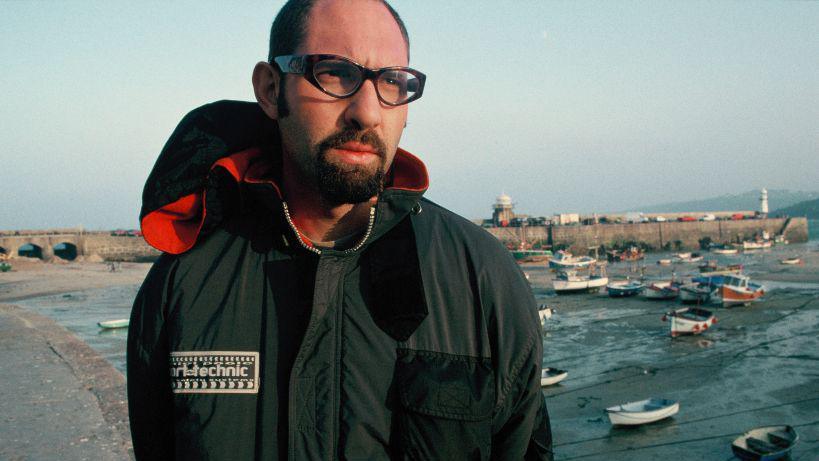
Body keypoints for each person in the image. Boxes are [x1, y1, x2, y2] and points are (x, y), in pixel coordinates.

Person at [127, 0, 553, 459]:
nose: (367, 113)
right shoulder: (183, 286)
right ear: (271, 90)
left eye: (392, 81)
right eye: (333, 72)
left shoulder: (481, 277)